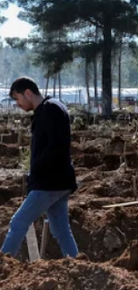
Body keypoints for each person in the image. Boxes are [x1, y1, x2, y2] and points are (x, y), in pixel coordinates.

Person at [1, 77, 79, 258]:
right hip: (58, 181)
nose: (17, 104)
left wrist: (37, 170)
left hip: (49, 182)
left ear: (28, 92)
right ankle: (77, 264)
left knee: (19, 222)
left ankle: (3, 266)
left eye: (17, 98)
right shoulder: (51, 108)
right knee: (60, 229)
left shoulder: (50, 109)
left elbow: (56, 147)